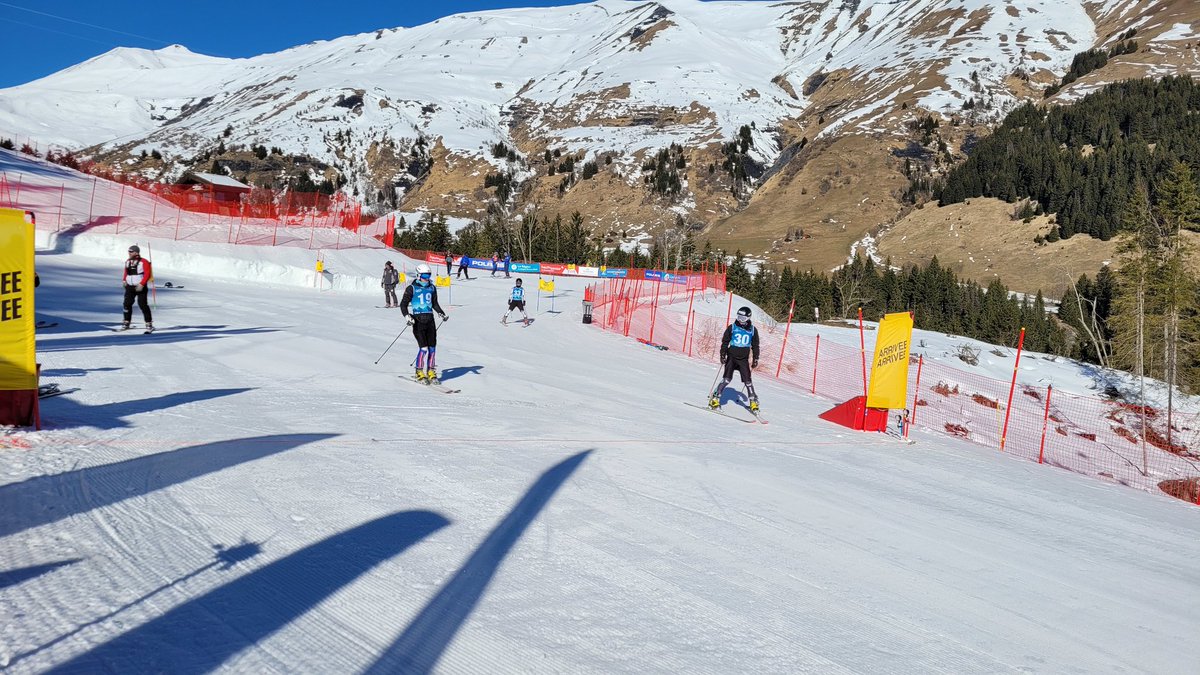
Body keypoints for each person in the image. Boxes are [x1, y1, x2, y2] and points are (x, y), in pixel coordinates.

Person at [400, 263, 449, 383]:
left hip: (430, 321)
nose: (426, 278)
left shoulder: (432, 288)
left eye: (428, 275)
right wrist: (407, 316)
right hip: (418, 321)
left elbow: (434, 304)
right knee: (424, 348)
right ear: (418, 275)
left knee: (432, 348)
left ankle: (431, 371)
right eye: (424, 275)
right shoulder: (411, 288)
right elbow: (403, 304)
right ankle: (419, 371)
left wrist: (441, 313)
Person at [710, 306, 760, 413]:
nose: (740, 320)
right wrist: (722, 354)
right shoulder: (732, 327)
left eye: (743, 318)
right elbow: (725, 342)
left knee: (748, 381)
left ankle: (753, 401)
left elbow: (755, 345)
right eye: (739, 317)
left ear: (748, 318)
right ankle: (715, 398)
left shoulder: (752, 330)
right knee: (726, 379)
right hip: (731, 358)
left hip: (743, 360)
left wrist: (756, 358)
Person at [120, 244, 154, 332]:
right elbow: (126, 272)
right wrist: (124, 280)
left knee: (142, 304)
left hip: (140, 286)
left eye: (131, 252)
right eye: (128, 251)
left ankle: (149, 323)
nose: (129, 253)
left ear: (136, 252)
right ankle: (126, 321)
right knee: (127, 304)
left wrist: (142, 284)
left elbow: (147, 274)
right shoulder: (128, 261)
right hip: (129, 286)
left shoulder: (144, 262)